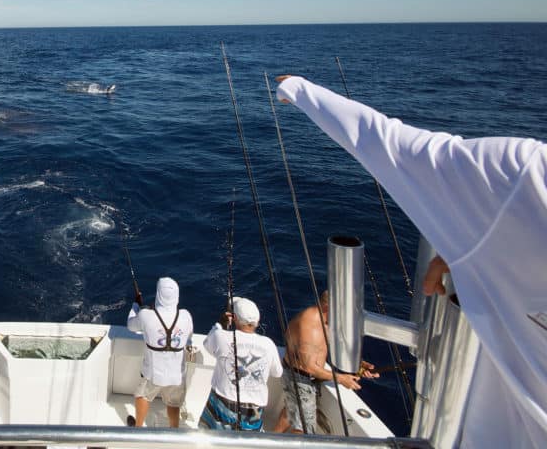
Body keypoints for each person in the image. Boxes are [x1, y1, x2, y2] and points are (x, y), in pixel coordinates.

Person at [275, 74, 547, 447]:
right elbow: (306, 364)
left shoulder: (525, 180)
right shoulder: (526, 180)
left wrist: (302, 91)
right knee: (294, 421)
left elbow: (390, 142)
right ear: (329, 304)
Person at [273, 290, 377, 434]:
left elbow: (332, 344)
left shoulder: (326, 321)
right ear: (329, 307)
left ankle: (271, 440)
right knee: (305, 428)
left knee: (291, 412)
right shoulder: (310, 326)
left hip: (305, 376)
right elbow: (307, 366)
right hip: (301, 379)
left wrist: (359, 365)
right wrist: (341, 378)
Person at [199, 297, 282, 431]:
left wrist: (220, 324)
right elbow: (277, 372)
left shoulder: (221, 336)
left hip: (222, 405)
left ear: (235, 318)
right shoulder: (269, 344)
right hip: (252, 413)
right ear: (257, 321)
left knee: (209, 436)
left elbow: (207, 344)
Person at [125, 277, 194, 427]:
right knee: (174, 403)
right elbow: (188, 335)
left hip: (152, 373)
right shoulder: (186, 316)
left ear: (158, 295)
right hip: (177, 374)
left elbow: (131, 325)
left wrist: (136, 305)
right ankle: (173, 430)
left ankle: (138, 428)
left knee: (142, 395)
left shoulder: (146, 315)